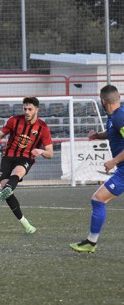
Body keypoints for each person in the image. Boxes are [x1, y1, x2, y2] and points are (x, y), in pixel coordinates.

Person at [0, 97, 53, 234]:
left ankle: (7, 188)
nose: (27, 112)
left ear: (37, 109)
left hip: (25, 158)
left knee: (17, 173)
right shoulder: (14, 121)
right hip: (8, 157)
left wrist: (41, 151)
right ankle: (26, 224)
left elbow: (50, 153)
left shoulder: (43, 128)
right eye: (25, 109)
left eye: (30, 109)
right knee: (8, 190)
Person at [70, 84, 124, 253]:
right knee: (99, 199)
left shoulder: (119, 117)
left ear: (102, 101)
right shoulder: (115, 116)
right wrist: (98, 135)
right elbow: (113, 132)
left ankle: (91, 243)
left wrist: (113, 161)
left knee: (98, 199)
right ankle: (91, 242)